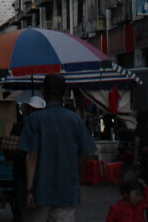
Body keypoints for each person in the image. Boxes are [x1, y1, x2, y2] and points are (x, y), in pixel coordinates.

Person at [18, 73, 97, 222]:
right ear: (65, 93)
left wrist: (29, 190)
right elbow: (85, 155)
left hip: (40, 191)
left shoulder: (35, 120)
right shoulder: (75, 120)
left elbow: (31, 156)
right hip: (66, 191)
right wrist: (76, 180)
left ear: (43, 92)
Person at [7, 95, 47, 222]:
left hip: (42, 178)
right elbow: (8, 153)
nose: (34, 113)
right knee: (22, 208)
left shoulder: (46, 129)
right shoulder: (19, 128)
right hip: (22, 176)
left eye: (37, 110)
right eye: (32, 110)